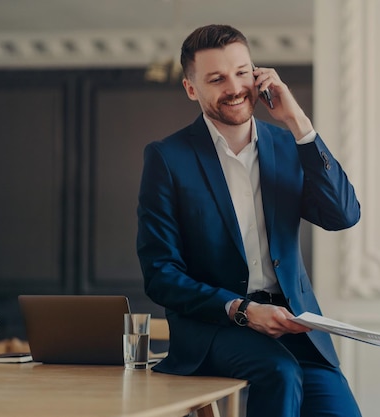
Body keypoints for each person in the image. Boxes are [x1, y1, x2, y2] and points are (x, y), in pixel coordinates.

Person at [137, 24, 362, 417]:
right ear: (192, 89)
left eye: (242, 72)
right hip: (218, 327)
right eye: (217, 78)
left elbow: (343, 215)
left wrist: (299, 124)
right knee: (279, 372)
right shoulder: (167, 158)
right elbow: (161, 273)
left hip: (295, 325)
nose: (235, 87)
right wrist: (241, 309)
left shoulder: (287, 146)